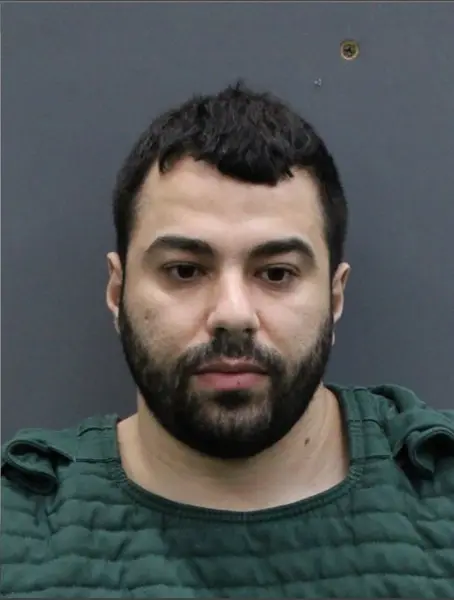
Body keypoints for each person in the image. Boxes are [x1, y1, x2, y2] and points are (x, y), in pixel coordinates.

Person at [2, 81, 454, 599]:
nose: (233, 315)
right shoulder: (17, 526)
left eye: (277, 273)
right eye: (184, 270)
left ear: (335, 296)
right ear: (117, 290)